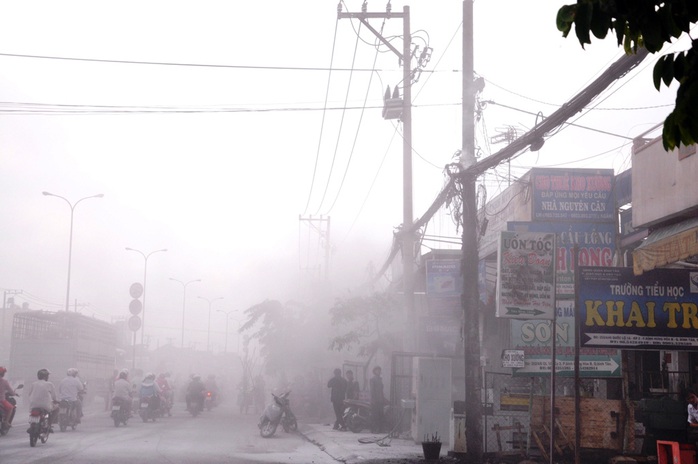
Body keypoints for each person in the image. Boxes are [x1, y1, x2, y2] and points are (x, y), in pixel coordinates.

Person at [369, 366, 385, 433]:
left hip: (380, 400)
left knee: (380, 414)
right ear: (374, 371)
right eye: (377, 370)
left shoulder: (380, 379)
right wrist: (373, 399)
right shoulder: (373, 379)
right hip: (375, 400)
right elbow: (372, 390)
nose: (378, 371)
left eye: (379, 370)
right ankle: (375, 429)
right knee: (375, 415)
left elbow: (381, 390)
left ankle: (380, 429)